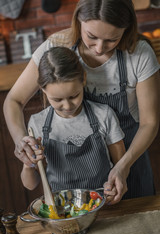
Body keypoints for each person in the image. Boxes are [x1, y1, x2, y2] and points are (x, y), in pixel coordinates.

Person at [3, 0, 160, 204]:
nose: (99, 48)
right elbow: (13, 100)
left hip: (130, 161)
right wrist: (21, 142)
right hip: (76, 188)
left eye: (112, 39)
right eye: (91, 36)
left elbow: (150, 122)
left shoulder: (139, 54)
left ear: (127, 28)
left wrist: (123, 166)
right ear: (79, 20)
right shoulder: (55, 47)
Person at [21, 46, 125, 200]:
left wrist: (116, 187)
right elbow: (30, 184)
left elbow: (121, 166)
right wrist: (28, 163)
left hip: (103, 203)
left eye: (74, 96)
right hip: (63, 210)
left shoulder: (103, 115)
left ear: (83, 79)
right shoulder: (37, 123)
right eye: (57, 100)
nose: (68, 106)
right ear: (43, 89)